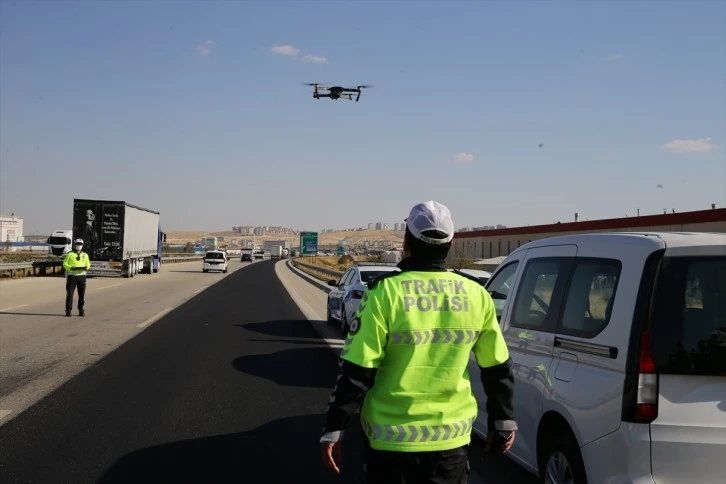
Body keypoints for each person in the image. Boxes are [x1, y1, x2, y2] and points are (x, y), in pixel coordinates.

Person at [320, 200, 517, 483]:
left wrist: (335, 427)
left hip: (390, 447)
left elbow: (356, 369)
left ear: (406, 243)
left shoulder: (384, 293)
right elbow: (498, 367)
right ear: (449, 246)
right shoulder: (476, 296)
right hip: (450, 444)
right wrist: (502, 422)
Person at [63, 238, 91, 317]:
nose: (79, 246)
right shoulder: (70, 254)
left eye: (80, 244)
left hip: (82, 276)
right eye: (78, 244)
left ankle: (81, 310)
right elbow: (65, 264)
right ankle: (68, 310)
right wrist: (71, 268)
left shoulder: (85, 255)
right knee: (70, 294)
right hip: (72, 276)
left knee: (82, 294)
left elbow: (88, 263)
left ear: (82, 245)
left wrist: (86, 267)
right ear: (75, 244)